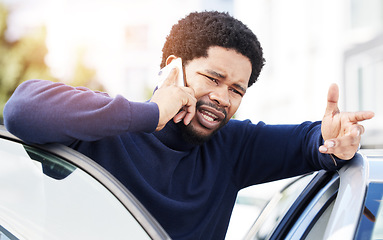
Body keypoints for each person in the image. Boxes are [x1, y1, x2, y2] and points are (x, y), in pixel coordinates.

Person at [3, 11, 374, 239]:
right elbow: (20, 110)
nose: (223, 99)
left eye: (236, 90)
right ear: (173, 67)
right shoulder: (106, 126)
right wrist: (151, 114)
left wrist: (333, 140)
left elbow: (308, 142)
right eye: (212, 79)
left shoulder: (234, 147)